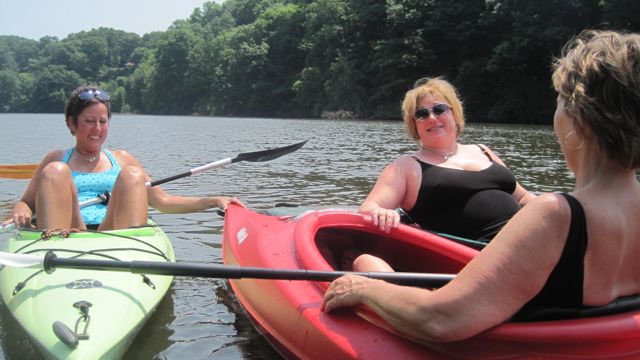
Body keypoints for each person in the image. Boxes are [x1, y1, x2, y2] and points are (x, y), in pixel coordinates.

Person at [323, 30, 640, 342]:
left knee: (362, 265)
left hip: (516, 337)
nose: (432, 117)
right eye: (422, 114)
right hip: (602, 338)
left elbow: (439, 320)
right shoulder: (601, 211)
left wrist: (363, 288)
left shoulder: (555, 215)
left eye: (558, 103)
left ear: (577, 118)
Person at [4, 85, 244, 231]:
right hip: (68, 234)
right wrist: (20, 209)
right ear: (71, 123)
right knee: (55, 171)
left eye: (103, 121)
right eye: (89, 121)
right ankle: (53, 250)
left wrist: (213, 200)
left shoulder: (123, 158)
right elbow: (26, 203)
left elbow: (163, 202)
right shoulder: (55, 158)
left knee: (132, 175)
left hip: (115, 234)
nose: (97, 129)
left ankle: (131, 255)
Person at [360, 77, 535, 241]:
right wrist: (383, 213)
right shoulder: (406, 166)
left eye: (439, 109)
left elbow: (522, 197)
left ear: (454, 114)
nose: (432, 118)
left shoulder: (483, 150)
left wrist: (554, 205)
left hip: (528, 234)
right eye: (421, 114)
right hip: (481, 250)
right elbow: (368, 209)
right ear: (414, 125)